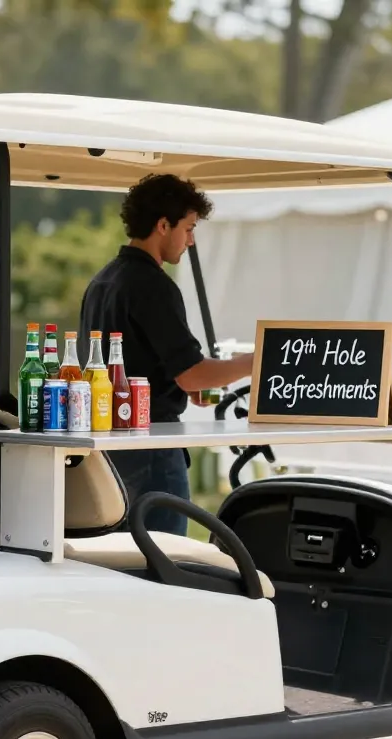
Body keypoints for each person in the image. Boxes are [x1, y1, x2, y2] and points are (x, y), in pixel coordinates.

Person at [79, 173, 254, 535]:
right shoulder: (153, 285)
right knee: (163, 557)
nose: (191, 241)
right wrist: (255, 362)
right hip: (151, 445)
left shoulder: (102, 281)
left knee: (110, 557)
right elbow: (192, 374)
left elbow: (138, 363)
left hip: (104, 445)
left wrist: (180, 383)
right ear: (163, 225)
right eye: (188, 228)